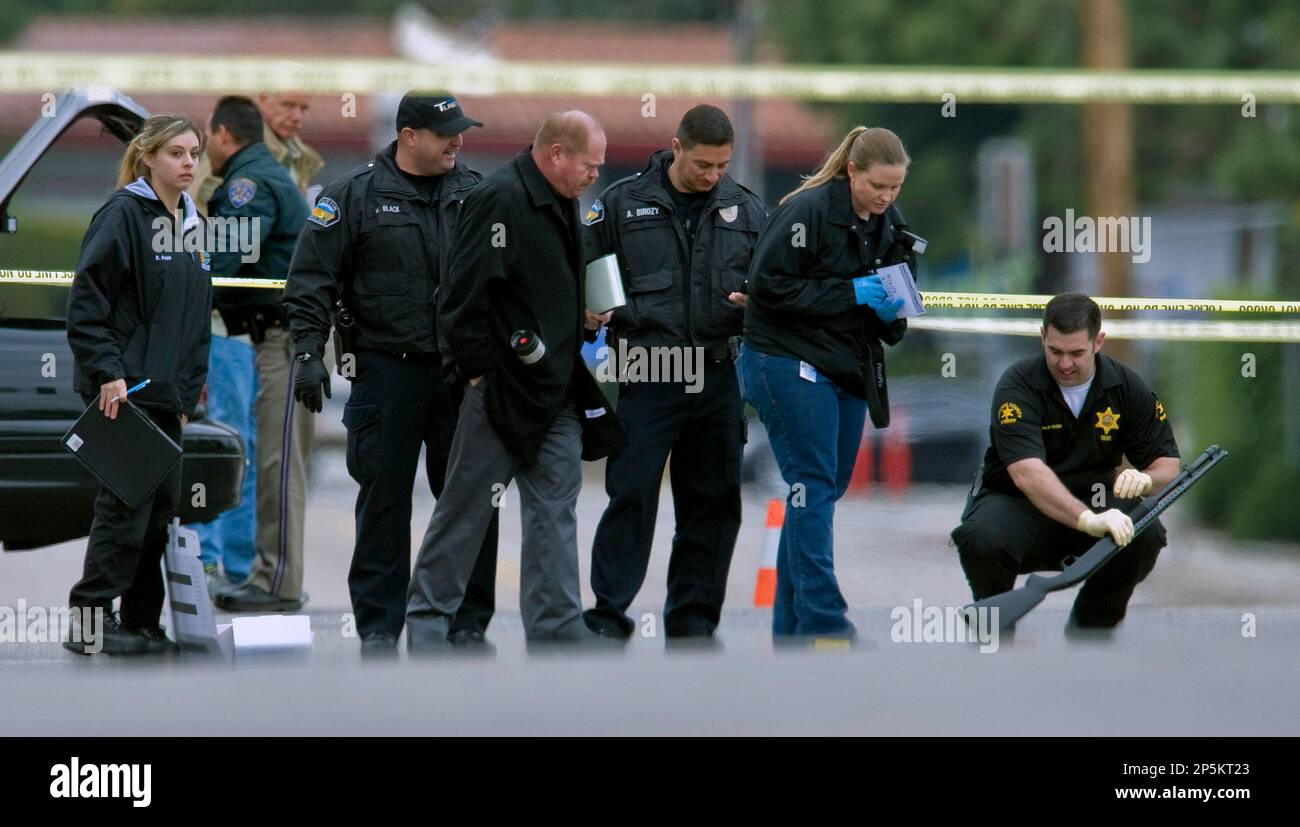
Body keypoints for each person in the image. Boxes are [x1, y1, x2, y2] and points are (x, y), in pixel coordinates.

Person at [283, 91, 499, 649]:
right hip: (386, 370)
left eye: (461, 131)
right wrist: (308, 354)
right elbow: (310, 282)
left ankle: (467, 620)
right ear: (408, 136)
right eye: (445, 132)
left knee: (470, 498)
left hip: (462, 374)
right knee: (383, 499)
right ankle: (379, 625)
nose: (458, 141)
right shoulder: (352, 197)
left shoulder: (476, 195)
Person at [405, 111, 622, 647]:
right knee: (465, 507)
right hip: (501, 389)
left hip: (558, 389)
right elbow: (460, 300)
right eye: (589, 165)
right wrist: (479, 372)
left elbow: (541, 287)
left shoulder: (566, 200)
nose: (596, 174)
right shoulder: (499, 199)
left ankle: (557, 626)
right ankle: (429, 624)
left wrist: (583, 315)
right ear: (555, 155)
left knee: (555, 511)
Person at [580, 104, 764, 640]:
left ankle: (693, 621)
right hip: (647, 365)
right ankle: (608, 616)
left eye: (722, 166)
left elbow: (772, 291)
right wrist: (591, 312)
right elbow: (586, 270)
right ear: (676, 148)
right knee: (631, 493)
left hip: (715, 371)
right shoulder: (622, 203)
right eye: (703, 164)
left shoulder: (748, 212)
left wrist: (756, 305)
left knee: (712, 502)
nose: (712, 176)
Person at [738, 126, 915, 642]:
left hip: (845, 367)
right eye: (878, 186)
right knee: (811, 483)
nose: (886, 198)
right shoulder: (807, 211)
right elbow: (767, 288)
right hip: (783, 360)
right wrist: (852, 292)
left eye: (895, 189)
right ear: (852, 172)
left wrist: (895, 307)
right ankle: (824, 619)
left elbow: (897, 318)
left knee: (823, 488)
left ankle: (790, 628)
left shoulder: (890, 226)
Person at [64, 115, 213, 655]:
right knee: (125, 510)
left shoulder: (194, 224)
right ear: (148, 157)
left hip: (168, 395)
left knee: (160, 512)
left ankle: (141, 624)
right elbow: (87, 304)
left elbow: (197, 320)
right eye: (176, 153)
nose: (189, 163)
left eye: (194, 153)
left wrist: (189, 394)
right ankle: (90, 628)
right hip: (124, 389)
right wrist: (108, 374)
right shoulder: (123, 213)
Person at [951, 293, 1181, 633]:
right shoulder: (1018, 385)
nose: (1064, 364)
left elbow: (1168, 463)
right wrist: (1086, 520)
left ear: (1098, 341)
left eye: (1076, 353)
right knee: (980, 537)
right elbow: (1027, 473)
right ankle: (995, 624)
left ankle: (1092, 628)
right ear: (1042, 336)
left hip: (1096, 501)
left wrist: (1146, 480)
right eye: (1055, 351)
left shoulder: (1126, 386)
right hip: (1018, 504)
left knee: (1145, 532)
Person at [190, 96, 311, 613]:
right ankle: (267, 576)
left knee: (278, 465)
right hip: (274, 338)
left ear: (221, 135)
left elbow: (224, 261)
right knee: (270, 461)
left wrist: (177, 297)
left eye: (202, 146)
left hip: (283, 339)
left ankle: (275, 583)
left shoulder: (247, 183)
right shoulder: (261, 173)